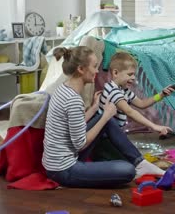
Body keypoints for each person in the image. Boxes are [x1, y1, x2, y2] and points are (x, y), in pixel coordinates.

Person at [42, 46, 165, 188]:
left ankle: (140, 163)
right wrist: (105, 116)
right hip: (63, 170)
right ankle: (136, 165)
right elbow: (80, 144)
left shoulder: (64, 89)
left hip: (59, 161)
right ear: (81, 69)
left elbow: (75, 126)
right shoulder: (73, 100)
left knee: (106, 121)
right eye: (94, 67)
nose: (97, 71)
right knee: (128, 171)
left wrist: (94, 109)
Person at [98, 52, 175, 136]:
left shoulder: (123, 90)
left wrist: (161, 95)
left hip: (113, 131)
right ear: (115, 73)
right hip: (105, 134)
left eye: (134, 74)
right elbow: (130, 111)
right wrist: (155, 126)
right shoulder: (113, 91)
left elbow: (142, 104)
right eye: (130, 74)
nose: (133, 78)